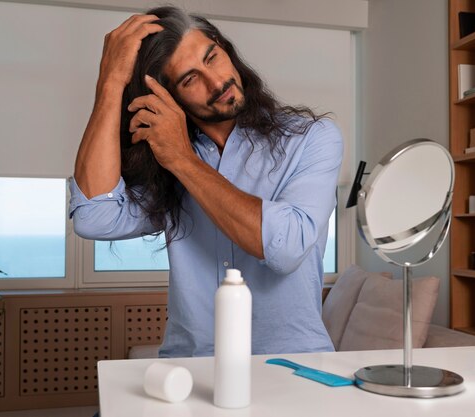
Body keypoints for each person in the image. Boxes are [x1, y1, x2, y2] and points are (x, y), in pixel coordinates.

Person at [69, 6, 343, 357]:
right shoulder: (161, 164)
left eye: (212, 57)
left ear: (223, 47)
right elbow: (94, 217)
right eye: (189, 79)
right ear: (166, 97)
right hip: (191, 367)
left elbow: (286, 247)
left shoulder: (312, 138)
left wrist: (182, 159)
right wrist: (110, 83)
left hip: (292, 366)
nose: (216, 82)